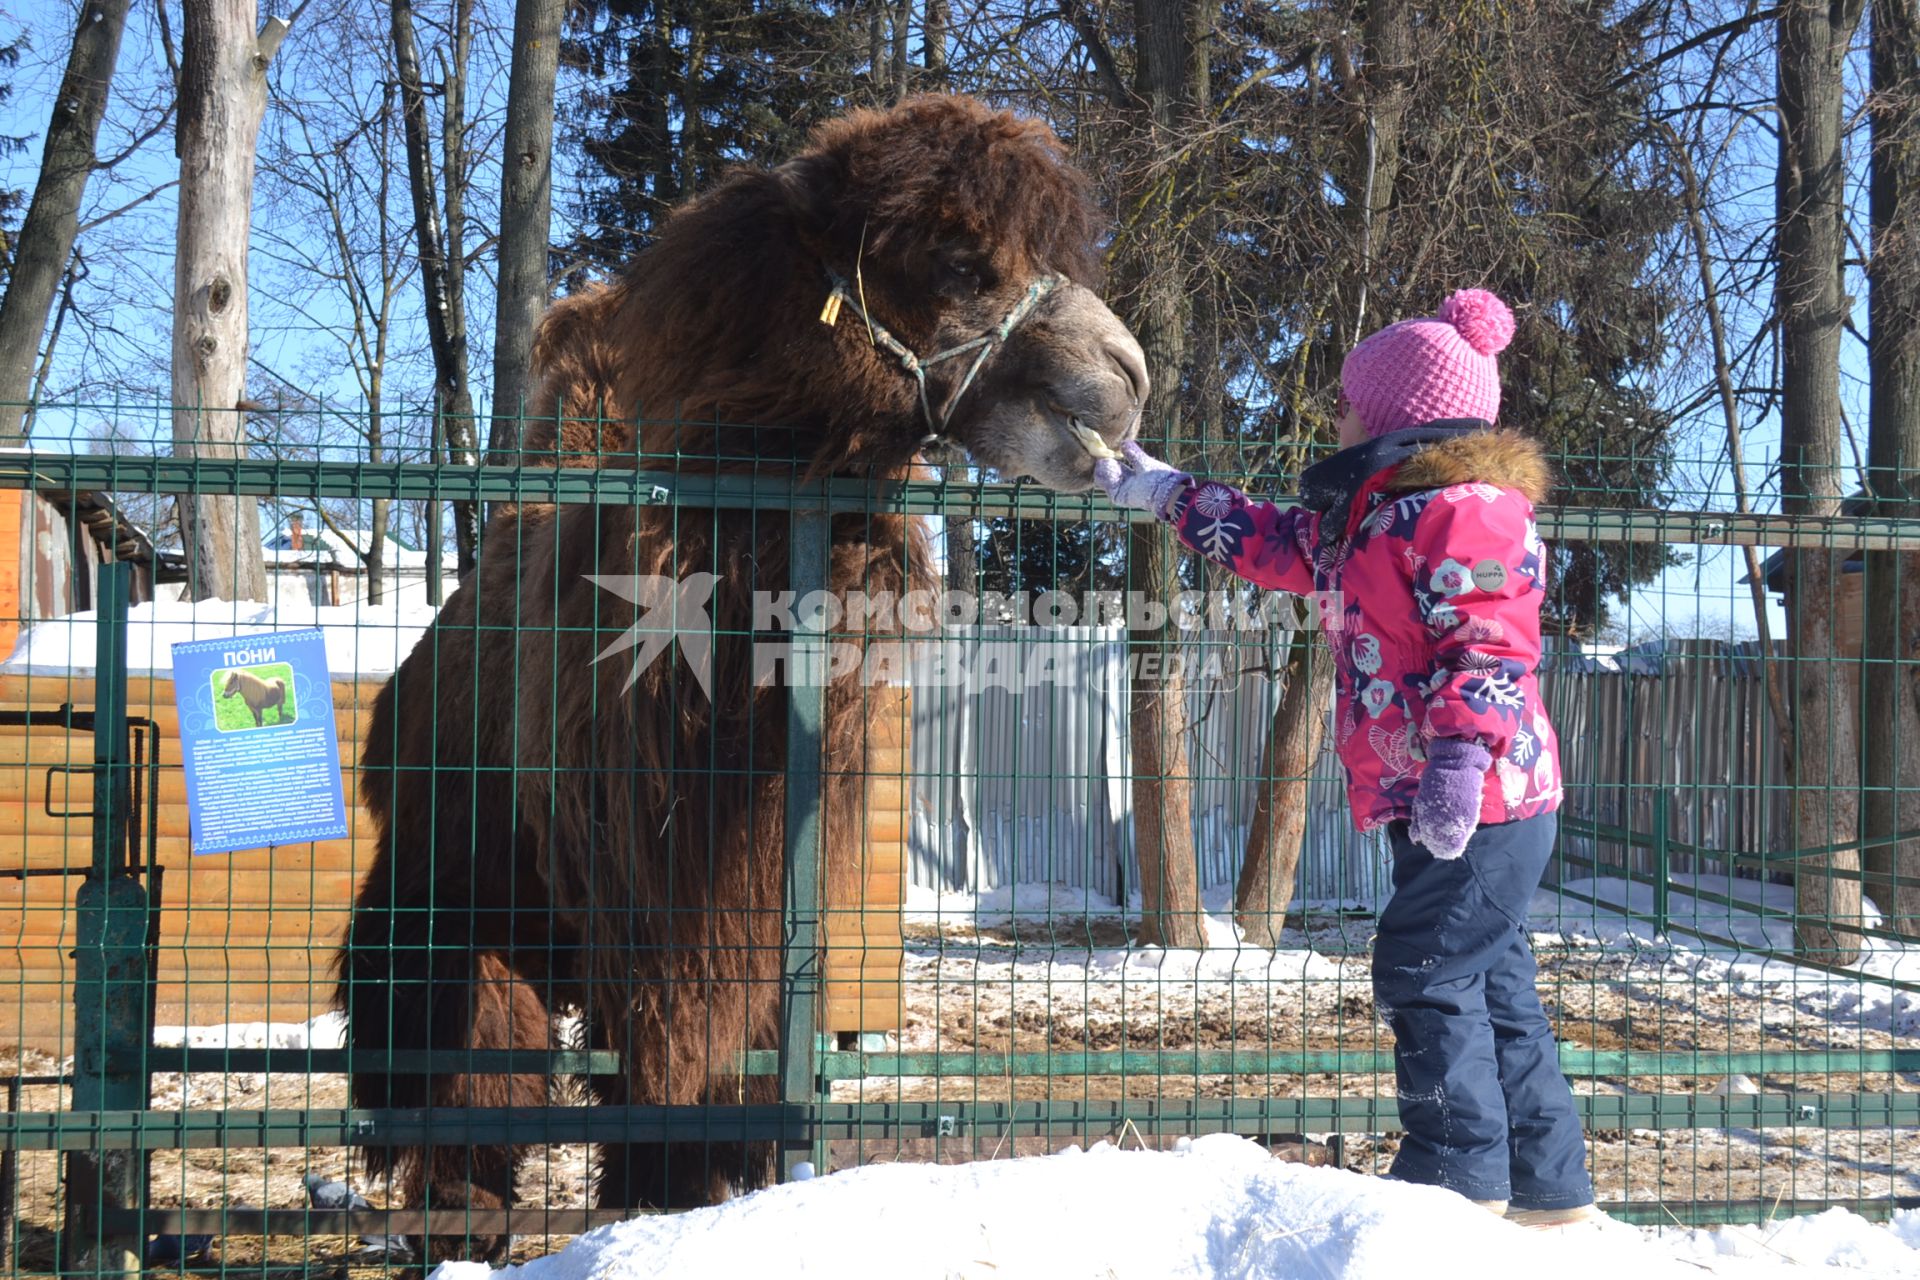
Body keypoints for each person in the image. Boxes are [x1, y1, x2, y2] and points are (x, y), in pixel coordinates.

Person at [1095, 289, 1602, 1228]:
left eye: (1348, 400)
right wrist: (1165, 491)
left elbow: (1489, 641)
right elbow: (1273, 542)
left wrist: (1456, 757)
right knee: (1488, 975)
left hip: (1480, 796)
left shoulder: (1468, 508)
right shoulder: (1372, 520)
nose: (1336, 414)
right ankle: (1546, 1186)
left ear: (1399, 413)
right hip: (1443, 797)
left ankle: (1458, 1174)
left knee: (1424, 969)